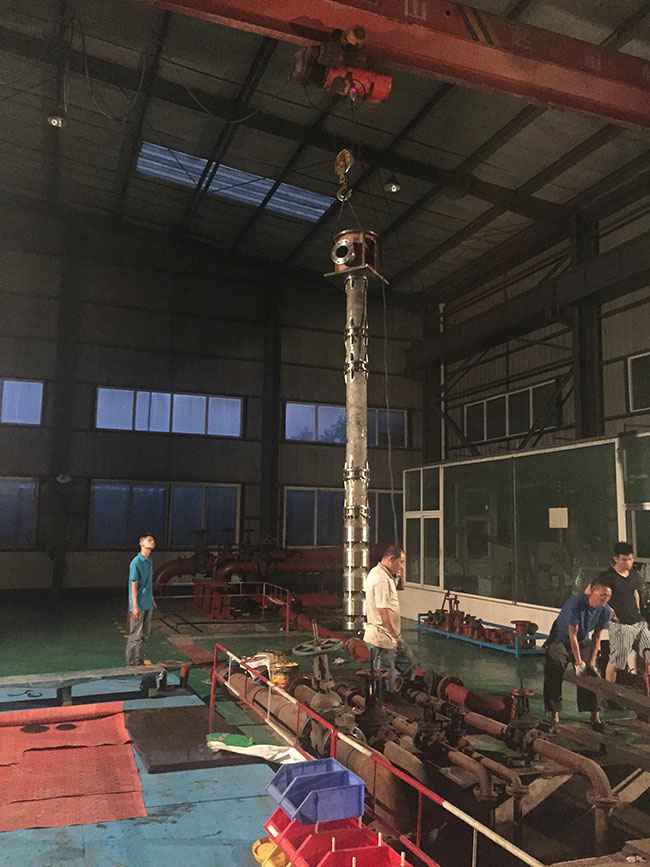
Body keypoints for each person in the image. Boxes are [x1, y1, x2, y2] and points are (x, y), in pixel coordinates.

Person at [543, 579, 613, 731]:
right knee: (554, 667)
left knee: (592, 673)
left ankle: (595, 715)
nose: (605, 599)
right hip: (560, 639)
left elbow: (596, 637)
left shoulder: (606, 611)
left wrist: (591, 662)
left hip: (582, 640)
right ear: (592, 592)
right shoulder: (575, 604)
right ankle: (554, 714)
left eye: (608, 596)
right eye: (602, 595)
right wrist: (579, 662)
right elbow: (572, 635)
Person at [363, 545, 413, 694]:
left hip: (384, 635)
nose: (402, 566)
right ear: (391, 559)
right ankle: (388, 699)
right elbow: (383, 611)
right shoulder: (381, 579)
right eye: (401, 562)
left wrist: (400, 574)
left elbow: (397, 590)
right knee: (387, 676)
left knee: (406, 661)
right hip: (383, 637)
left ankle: (399, 690)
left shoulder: (381, 574)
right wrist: (394, 636)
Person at [599, 542, 650, 683]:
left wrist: (638, 611)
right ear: (616, 559)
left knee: (648, 653)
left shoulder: (634, 574)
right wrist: (610, 612)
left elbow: (635, 593)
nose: (628, 563)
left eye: (631, 559)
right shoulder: (607, 577)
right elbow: (593, 595)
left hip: (638, 623)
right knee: (617, 663)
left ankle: (644, 688)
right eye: (624, 559)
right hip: (621, 626)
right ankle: (609, 693)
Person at [126, 533, 156, 667]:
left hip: (147, 603)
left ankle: (139, 660)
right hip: (138, 604)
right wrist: (134, 605)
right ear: (141, 543)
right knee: (135, 635)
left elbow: (148, 583)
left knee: (144, 634)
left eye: (153, 540)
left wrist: (151, 598)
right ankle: (132, 663)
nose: (152, 542)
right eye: (149, 540)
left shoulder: (149, 561)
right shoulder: (136, 562)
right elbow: (134, 585)